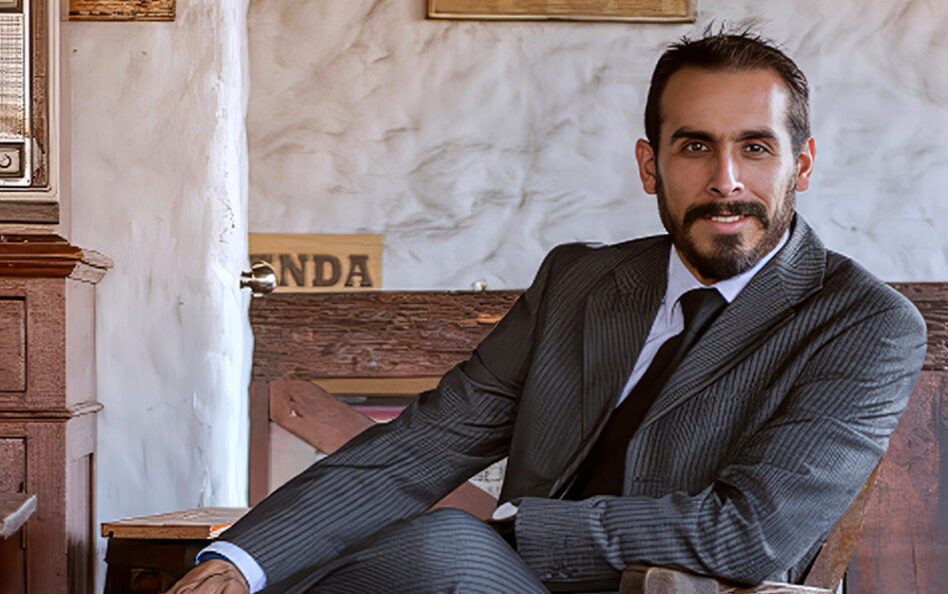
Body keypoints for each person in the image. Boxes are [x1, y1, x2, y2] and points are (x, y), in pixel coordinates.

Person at [167, 30, 927, 593]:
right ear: (650, 165)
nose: (725, 180)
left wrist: (520, 526)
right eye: (695, 147)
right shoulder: (579, 281)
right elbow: (426, 444)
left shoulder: (865, 324)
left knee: (439, 550)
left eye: (755, 148)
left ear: (801, 164)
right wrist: (240, 559)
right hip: (500, 581)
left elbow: (752, 533)